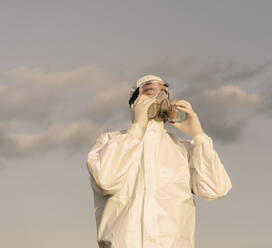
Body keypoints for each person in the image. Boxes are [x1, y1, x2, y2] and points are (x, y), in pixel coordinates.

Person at [86, 74, 232, 248]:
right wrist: (137, 128)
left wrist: (199, 137)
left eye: (164, 92)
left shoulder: (182, 149)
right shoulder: (111, 142)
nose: (159, 96)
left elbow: (215, 189)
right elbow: (106, 180)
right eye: (149, 91)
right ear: (135, 102)